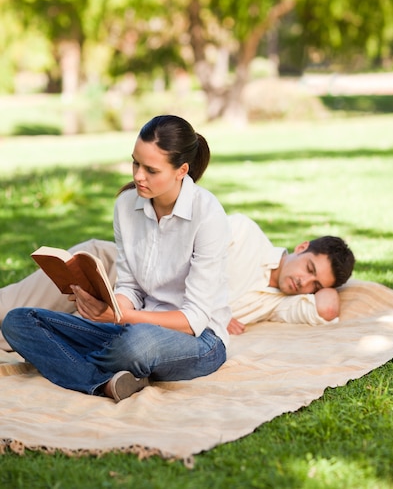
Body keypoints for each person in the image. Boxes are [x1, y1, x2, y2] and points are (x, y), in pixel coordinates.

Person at [2, 115, 232, 402]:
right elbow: (131, 288)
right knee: (19, 321)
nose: (138, 176)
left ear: (181, 170)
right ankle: (105, 383)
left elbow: (194, 319)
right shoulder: (126, 205)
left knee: (137, 346)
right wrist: (107, 305)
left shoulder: (207, 214)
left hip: (198, 340)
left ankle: (72, 362)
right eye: (135, 163)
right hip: (131, 327)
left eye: (151, 169)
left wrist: (120, 317)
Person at [0, 215, 355, 345]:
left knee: (25, 332)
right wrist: (212, 306)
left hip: (142, 316)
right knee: (15, 301)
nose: (304, 284)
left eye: (314, 285)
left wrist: (326, 289)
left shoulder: (277, 302)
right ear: (301, 247)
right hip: (125, 272)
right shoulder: (246, 233)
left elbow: (325, 310)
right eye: (309, 270)